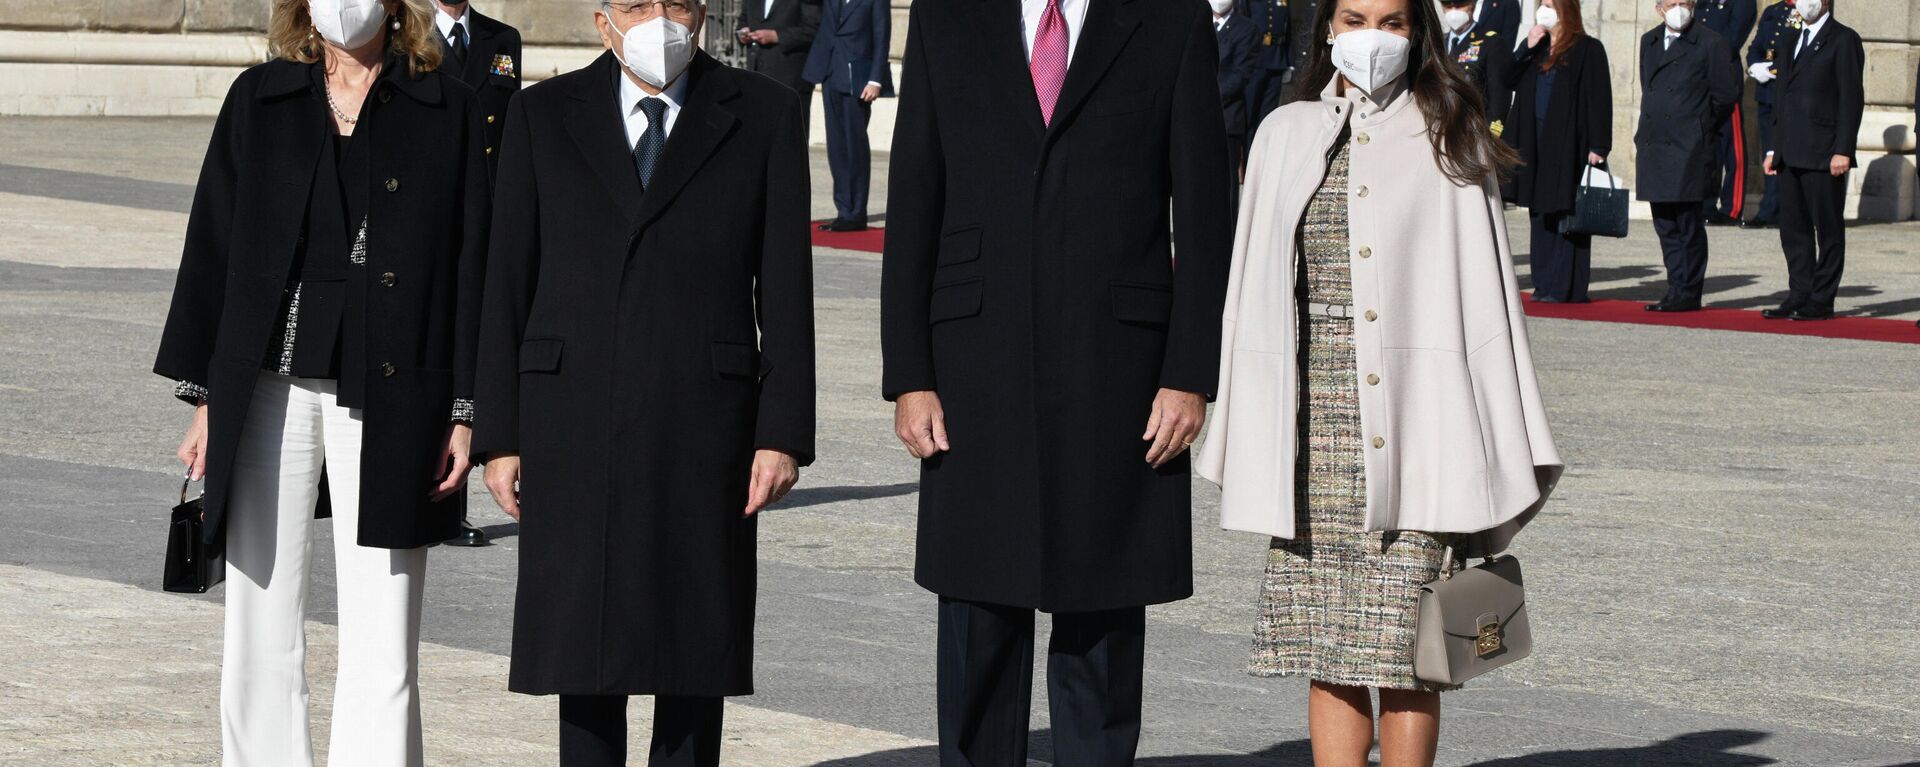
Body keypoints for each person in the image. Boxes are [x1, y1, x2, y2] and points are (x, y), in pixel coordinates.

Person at [1197, 0, 1562, 760]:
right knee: (1327, 647)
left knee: (1406, 648)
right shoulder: (1283, 133)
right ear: (1327, 27)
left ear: (1416, 31)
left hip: (1420, 426)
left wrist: (1495, 436)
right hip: (1311, 431)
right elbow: (1250, 292)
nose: (1372, 36)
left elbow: (1485, 299)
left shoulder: (1450, 135)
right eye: (1355, 17)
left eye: (1392, 21)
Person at [881, 0, 1234, 762]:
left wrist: (1190, 372)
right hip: (974, 367)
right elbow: (914, 199)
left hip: (1121, 372)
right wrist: (909, 374)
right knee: (979, 617)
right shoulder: (949, 20)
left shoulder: (1168, 21)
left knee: (1101, 618)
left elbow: (1206, 211)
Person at [472, 0, 816, 764]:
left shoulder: (763, 112)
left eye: (679, 4)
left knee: (693, 650)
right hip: (573, 418)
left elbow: (787, 290)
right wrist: (500, 435)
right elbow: (507, 283)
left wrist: (781, 430)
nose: (660, 20)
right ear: (602, 22)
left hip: (706, 422)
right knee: (583, 658)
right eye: (636, 4)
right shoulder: (541, 114)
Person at [155, 0, 490, 764]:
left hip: (399, 390)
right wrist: (206, 395)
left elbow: (475, 263)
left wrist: (466, 409)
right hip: (266, 384)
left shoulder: (451, 107)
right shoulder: (258, 98)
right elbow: (212, 242)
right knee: (259, 618)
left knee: (385, 628)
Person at [431, 0, 519, 546]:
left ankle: (453, 502)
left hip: (488, 208)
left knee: (475, 350)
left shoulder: (501, 36)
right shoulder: (404, 29)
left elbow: (508, 125)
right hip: (431, 205)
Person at [1635, 0, 1742, 312]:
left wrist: (1699, 124)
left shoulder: (1710, 42)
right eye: (1672, 3)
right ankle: (1674, 286)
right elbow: (1649, 86)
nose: (1678, 8)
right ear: (1659, 8)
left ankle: (1689, 290)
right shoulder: (1650, 41)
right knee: (1665, 222)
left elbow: (1725, 95)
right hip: (1656, 144)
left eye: (1684, 2)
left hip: (1689, 146)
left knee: (1687, 222)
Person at [1760, 0, 1862, 321]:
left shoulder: (1844, 39)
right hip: (1790, 152)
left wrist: (1843, 149)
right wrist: (1773, 148)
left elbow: (1851, 97)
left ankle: (1822, 298)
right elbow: (1781, 98)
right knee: (1793, 229)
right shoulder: (1790, 38)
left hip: (1824, 152)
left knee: (1828, 228)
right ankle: (1799, 292)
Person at [1502, 0, 1610, 304]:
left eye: (1550, 4)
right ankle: (1544, 283)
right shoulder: (1537, 47)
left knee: (1567, 215)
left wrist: (1599, 146)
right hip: (1534, 143)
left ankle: (1566, 287)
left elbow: (1600, 99)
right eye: (1542, 4)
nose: (1544, 10)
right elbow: (1507, 79)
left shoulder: (1588, 49)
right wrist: (1528, 45)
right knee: (1539, 213)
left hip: (1568, 144)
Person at [802, 0, 891, 232]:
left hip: (858, 79)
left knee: (855, 147)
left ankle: (856, 212)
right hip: (831, 73)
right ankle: (843, 208)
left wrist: (876, 79)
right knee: (836, 147)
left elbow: (882, 36)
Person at [1696, 0, 1757, 225]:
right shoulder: (1703, 3)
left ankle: (1732, 207)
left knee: (1733, 149)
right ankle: (1706, 204)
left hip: (1724, 80)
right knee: (1707, 149)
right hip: (1700, 80)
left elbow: (1731, 39)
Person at [1741, 0, 1799, 230]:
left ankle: (1784, 209)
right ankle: (1769, 208)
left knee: (1787, 153)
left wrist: (1774, 68)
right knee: (1769, 153)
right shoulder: (1773, 11)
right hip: (1767, 93)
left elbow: (1799, 50)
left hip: (1787, 92)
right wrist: (1755, 65)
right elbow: (1757, 44)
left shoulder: (1806, 10)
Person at [736, 0, 821, 120]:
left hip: (790, 79)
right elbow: (743, 19)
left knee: (789, 132)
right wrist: (742, 33)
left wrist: (777, 36)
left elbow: (813, 29)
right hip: (756, 75)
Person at [1440, 0, 1514, 131]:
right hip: (1440, 126)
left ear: (1472, 6)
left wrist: (1492, 135)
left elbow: (1499, 97)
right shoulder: (1438, 43)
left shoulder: (1491, 43)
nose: (1453, 11)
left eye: (1459, 5)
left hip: (1472, 130)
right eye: (1448, 6)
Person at [1217, 0, 1260, 176]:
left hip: (1227, 117)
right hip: (1194, 116)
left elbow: (1241, 74)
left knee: (1226, 180)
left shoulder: (1246, 28)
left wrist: (1207, 96)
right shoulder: (1197, 25)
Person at [1240, 0, 1292, 126]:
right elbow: (1242, 27)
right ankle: (1248, 145)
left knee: (1269, 115)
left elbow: (1289, 30)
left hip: (1276, 60)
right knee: (1250, 113)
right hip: (1255, 60)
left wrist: (1290, 62)